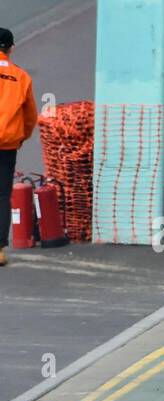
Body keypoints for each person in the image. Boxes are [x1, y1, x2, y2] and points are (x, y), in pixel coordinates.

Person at [0, 27, 38, 266]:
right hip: (7, 146)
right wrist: (20, 137)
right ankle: (0, 250)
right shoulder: (21, 77)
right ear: (11, 48)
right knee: (2, 195)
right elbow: (30, 116)